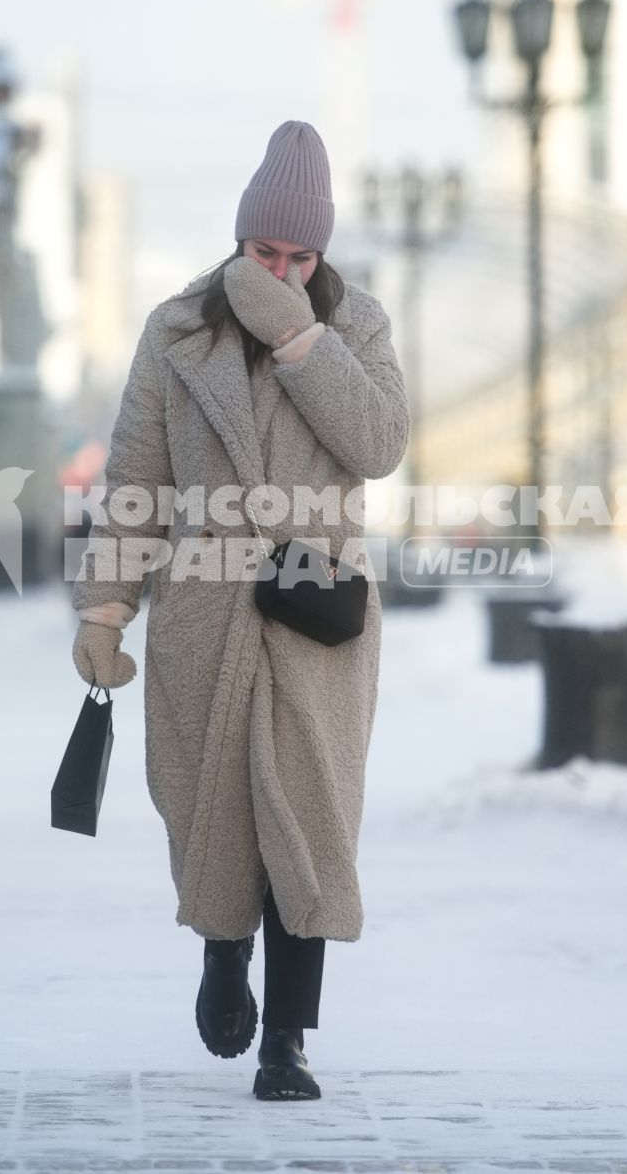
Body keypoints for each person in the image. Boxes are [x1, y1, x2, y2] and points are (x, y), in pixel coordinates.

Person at [69, 121, 409, 1102]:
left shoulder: (356, 327)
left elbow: (380, 442)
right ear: (239, 240)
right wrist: (105, 611)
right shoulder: (178, 332)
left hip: (316, 613)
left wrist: (301, 339)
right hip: (206, 610)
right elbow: (136, 479)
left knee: (310, 824)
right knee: (211, 808)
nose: (284, 268)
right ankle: (223, 960)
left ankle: (289, 1044)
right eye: (267, 253)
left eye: (303, 256)